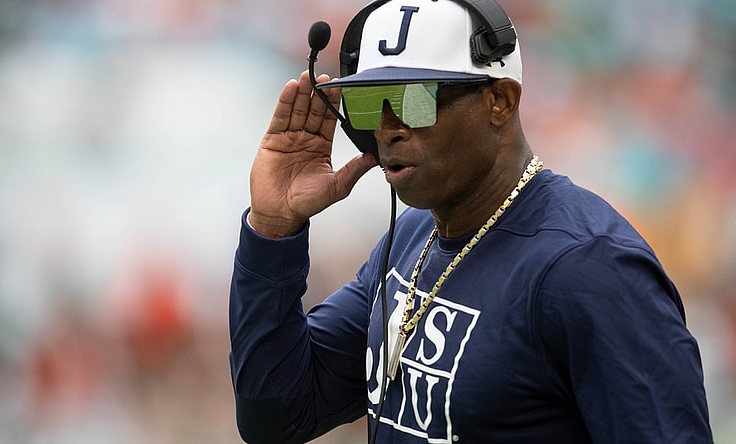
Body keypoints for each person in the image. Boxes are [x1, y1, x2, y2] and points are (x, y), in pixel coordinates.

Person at [228, 0, 713, 442]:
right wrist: (273, 230)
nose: (387, 128)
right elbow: (276, 416)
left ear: (499, 100)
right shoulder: (413, 236)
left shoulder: (589, 269)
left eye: (414, 99)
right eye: (369, 101)